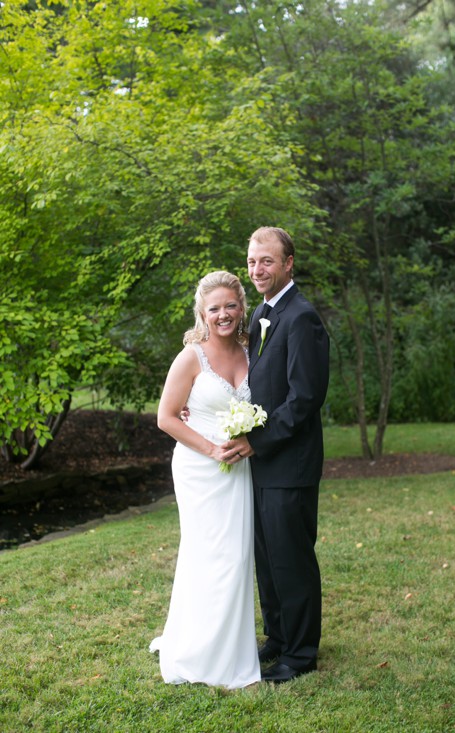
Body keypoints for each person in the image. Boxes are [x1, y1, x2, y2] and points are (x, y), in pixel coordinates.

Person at [219, 226, 331, 684]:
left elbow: (304, 399)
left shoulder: (302, 317)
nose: (256, 269)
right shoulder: (264, 314)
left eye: (266, 261)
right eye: (251, 262)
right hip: (262, 466)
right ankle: (279, 637)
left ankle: (301, 654)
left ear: (288, 263)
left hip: (290, 463)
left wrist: (255, 442)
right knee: (267, 558)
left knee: (291, 560)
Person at [150, 270, 260, 689]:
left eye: (230, 305)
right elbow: (165, 418)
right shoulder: (191, 357)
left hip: (240, 467)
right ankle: (197, 652)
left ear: (241, 308)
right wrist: (213, 449)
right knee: (206, 554)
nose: (223, 314)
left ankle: (231, 651)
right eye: (214, 308)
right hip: (200, 468)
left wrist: (247, 438)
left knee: (235, 558)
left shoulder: (252, 353)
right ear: (202, 313)